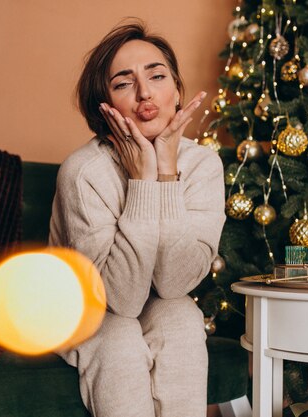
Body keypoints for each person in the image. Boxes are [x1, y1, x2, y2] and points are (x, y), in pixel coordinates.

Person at [48, 20, 226, 417]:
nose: (145, 93)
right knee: (118, 336)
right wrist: (143, 183)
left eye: (157, 76)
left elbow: (174, 283)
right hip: (84, 307)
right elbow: (123, 301)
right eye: (124, 83)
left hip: (157, 300)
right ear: (104, 106)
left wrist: (166, 172)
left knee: (181, 316)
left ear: (177, 91)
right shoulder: (83, 172)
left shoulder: (202, 165)